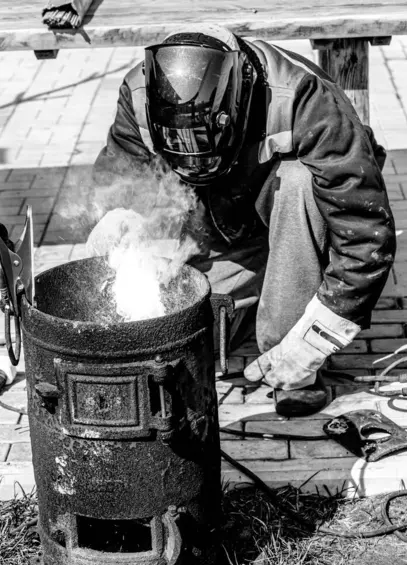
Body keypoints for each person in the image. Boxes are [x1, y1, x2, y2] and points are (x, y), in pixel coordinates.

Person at [87, 24, 396, 417]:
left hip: (294, 228)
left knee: (299, 180)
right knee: (185, 336)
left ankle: (291, 356)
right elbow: (120, 179)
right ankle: (259, 298)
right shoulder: (140, 93)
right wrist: (116, 219)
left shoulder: (303, 97)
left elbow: (365, 230)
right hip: (219, 233)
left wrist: (319, 336)